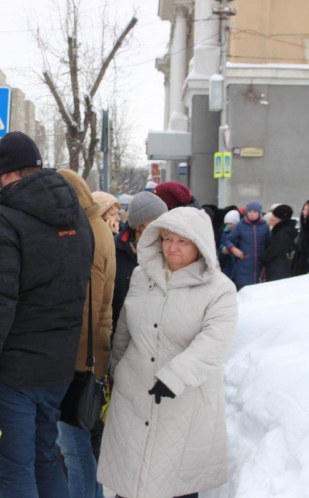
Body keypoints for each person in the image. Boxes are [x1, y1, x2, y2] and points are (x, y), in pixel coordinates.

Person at [0, 132, 92, 498]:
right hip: (59, 366)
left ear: (2, 174)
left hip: (14, 371)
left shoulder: (4, 219)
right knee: (45, 457)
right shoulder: (76, 213)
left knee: (14, 470)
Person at [97, 207, 238, 498]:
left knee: (172, 483)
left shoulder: (219, 289)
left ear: (199, 244)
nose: (172, 247)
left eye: (182, 241)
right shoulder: (141, 276)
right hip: (133, 394)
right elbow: (125, 328)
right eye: (167, 238)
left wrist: (174, 377)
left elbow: (214, 342)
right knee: (131, 481)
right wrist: (115, 369)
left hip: (184, 400)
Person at [57, 168, 116, 498]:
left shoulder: (86, 233)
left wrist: (65, 360)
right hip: (91, 357)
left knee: (74, 450)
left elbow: (87, 308)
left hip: (80, 362)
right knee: (79, 449)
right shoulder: (95, 226)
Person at [112, 192, 168, 332]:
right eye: (154, 221)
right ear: (138, 225)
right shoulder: (115, 250)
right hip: (121, 329)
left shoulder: (169, 250)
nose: (161, 227)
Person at [224, 201, 270, 289]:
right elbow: (228, 239)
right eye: (250, 212)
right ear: (247, 213)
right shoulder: (241, 225)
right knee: (243, 292)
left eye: (255, 212)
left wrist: (266, 259)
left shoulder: (264, 226)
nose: (252, 214)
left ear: (259, 212)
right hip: (244, 265)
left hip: (260, 265)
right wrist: (234, 249)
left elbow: (269, 243)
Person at [260, 204, 296, 281]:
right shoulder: (285, 230)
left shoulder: (282, 233)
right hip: (280, 266)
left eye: (274, 216)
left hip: (277, 268)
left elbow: (274, 250)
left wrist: (263, 259)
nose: (272, 218)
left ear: (280, 218)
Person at [291, 200, 309, 276]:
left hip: (306, 265)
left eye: (307, 210)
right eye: (304, 209)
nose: (304, 212)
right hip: (298, 263)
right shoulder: (303, 228)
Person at [218, 209, 240, 280]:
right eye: (227, 224)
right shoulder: (225, 232)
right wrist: (222, 249)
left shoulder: (240, 232)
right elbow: (221, 244)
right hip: (227, 262)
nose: (228, 226)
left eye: (231, 224)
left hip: (236, 261)